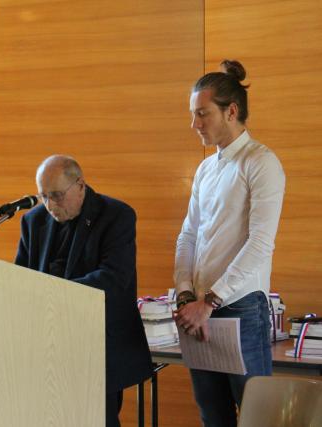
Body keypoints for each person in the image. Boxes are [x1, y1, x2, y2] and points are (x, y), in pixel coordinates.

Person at [173, 60, 285, 426]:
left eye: (202, 114)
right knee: (213, 417)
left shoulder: (261, 162)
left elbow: (260, 244)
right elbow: (188, 234)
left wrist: (211, 300)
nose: (195, 125)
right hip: (200, 310)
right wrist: (187, 296)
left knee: (256, 418)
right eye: (193, 115)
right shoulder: (206, 168)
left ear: (231, 111)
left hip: (240, 309)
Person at [15, 155, 152, 427]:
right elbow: (19, 278)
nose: (51, 205)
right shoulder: (34, 221)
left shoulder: (116, 215)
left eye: (57, 195)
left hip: (98, 346)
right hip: (48, 347)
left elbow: (113, 278)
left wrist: (53, 294)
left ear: (80, 185)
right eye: (43, 196)